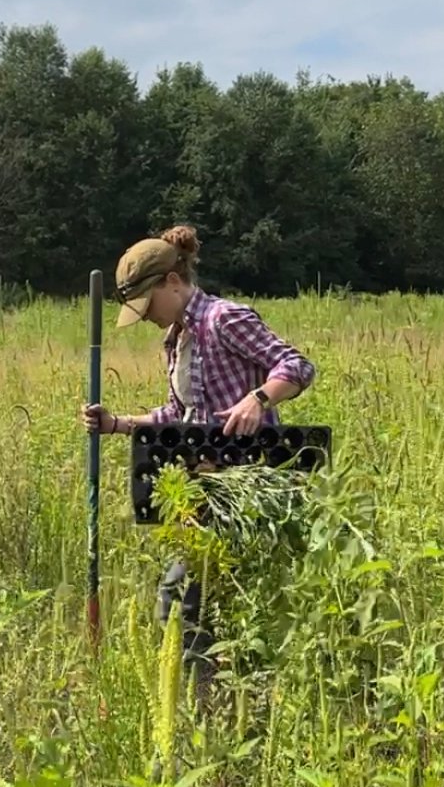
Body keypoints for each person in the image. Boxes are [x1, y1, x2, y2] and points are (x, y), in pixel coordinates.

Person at [80, 224, 316, 679]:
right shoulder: (176, 339)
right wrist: (118, 424)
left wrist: (259, 398)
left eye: (148, 305)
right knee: (202, 604)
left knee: (184, 598)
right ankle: (215, 703)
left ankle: (215, 702)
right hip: (205, 491)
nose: (147, 316)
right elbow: (179, 412)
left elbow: (298, 365)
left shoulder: (223, 319)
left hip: (250, 490)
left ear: (172, 282)